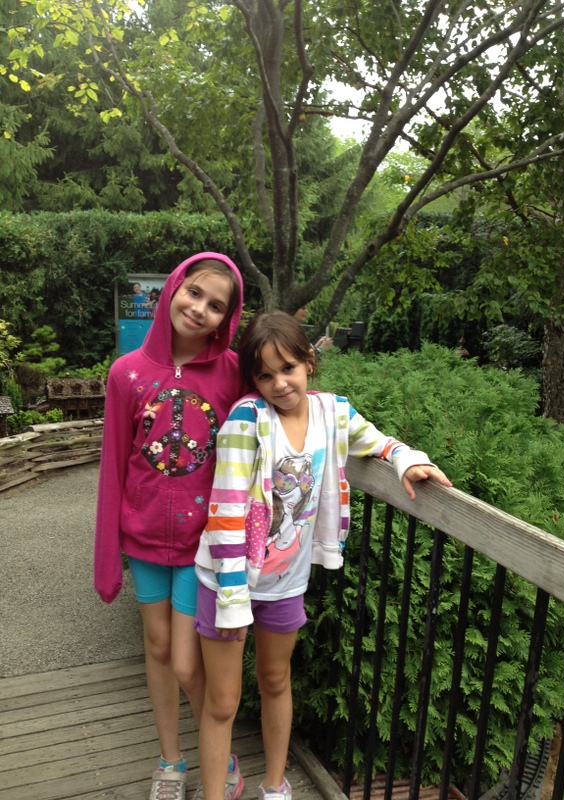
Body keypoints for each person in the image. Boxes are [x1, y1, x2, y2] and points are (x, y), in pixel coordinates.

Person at [193, 311, 452, 800]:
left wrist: (406, 460)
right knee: (223, 702)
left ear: (309, 362)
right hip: (228, 581)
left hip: (285, 582)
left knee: (275, 680)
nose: (279, 383)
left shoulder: (334, 412)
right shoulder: (247, 421)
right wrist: (232, 597)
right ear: (253, 380)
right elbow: (225, 512)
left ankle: (275, 787)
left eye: (288, 368)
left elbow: (378, 442)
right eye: (265, 375)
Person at [94, 253, 247, 800]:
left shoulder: (233, 373)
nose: (200, 308)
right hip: (142, 539)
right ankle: (170, 761)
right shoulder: (127, 372)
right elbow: (113, 465)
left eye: (216, 305)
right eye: (194, 292)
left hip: (203, 545)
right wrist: (107, 558)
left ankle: (219, 755)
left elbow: (288, 400)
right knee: (157, 647)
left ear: (227, 318)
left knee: (186, 663)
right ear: (174, 287)